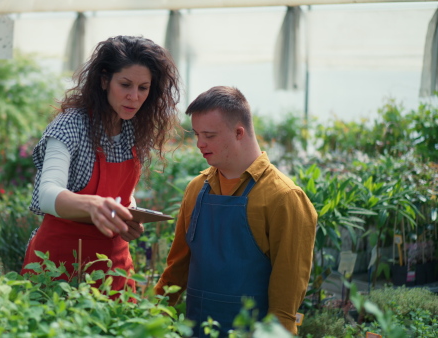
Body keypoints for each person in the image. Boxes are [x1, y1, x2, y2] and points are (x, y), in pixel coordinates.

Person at [21, 36, 180, 295]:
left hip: (112, 268)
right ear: (104, 80)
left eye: (143, 88)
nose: (134, 96)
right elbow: (47, 193)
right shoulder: (70, 125)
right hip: (58, 264)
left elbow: (124, 196)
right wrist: (93, 205)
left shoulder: (132, 129)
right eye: (125, 84)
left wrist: (130, 217)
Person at [154, 86, 316, 336]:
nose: (199, 143)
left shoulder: (284, 198)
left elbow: (286, 301)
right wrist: (148, 318)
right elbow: (176, 271)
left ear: (239, 132)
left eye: (209, 135)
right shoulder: (196, 188)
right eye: (197, 134)